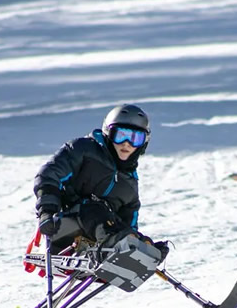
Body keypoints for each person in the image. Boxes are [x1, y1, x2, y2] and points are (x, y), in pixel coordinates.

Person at [33, 103, 169, 260]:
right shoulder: (83, 150)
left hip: (95, 243)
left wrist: (139, 241)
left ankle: (137, 254)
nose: (126, 143)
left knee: (121, 229)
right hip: (59, 228)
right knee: (94, 208)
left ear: (143, 143)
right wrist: (46, 211)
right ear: (107, 133)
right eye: (120, 135)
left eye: (135, 138)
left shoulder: (129, 184)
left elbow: (127, 223)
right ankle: (117, 248)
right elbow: (49, 174)